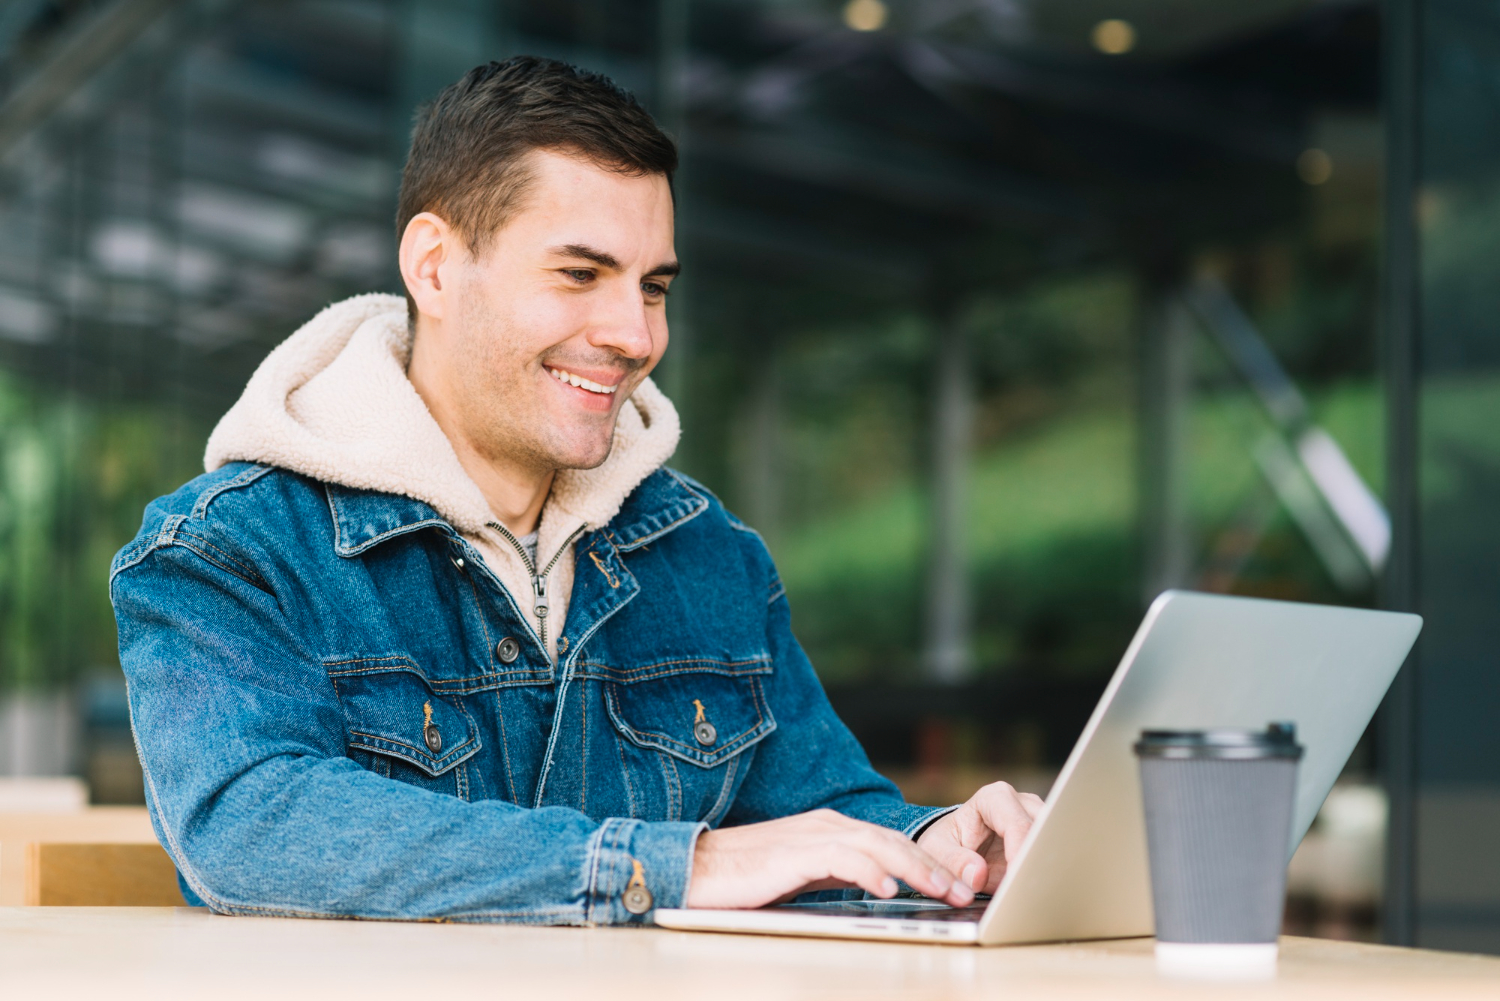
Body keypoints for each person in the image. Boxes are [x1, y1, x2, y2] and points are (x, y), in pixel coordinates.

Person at [111, 56, 1042, 923]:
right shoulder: (225, 553)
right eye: (581, 274)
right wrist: (682, 864)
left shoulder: (712, 556)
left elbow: (824, 817)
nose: (635, 334)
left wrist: (937, 848)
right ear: (434, 266)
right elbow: (249, 828)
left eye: (654, 286)